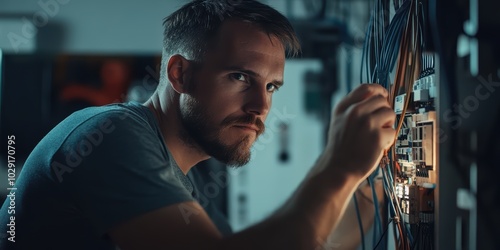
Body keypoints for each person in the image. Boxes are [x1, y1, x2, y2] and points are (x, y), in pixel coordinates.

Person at [0, 0, 395, 249]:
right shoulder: (109, 136)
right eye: (240, 77)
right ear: (180, 75)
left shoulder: (186, 188)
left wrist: (368, 186)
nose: (260, 106)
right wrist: (338, 166)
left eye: (271, 86)